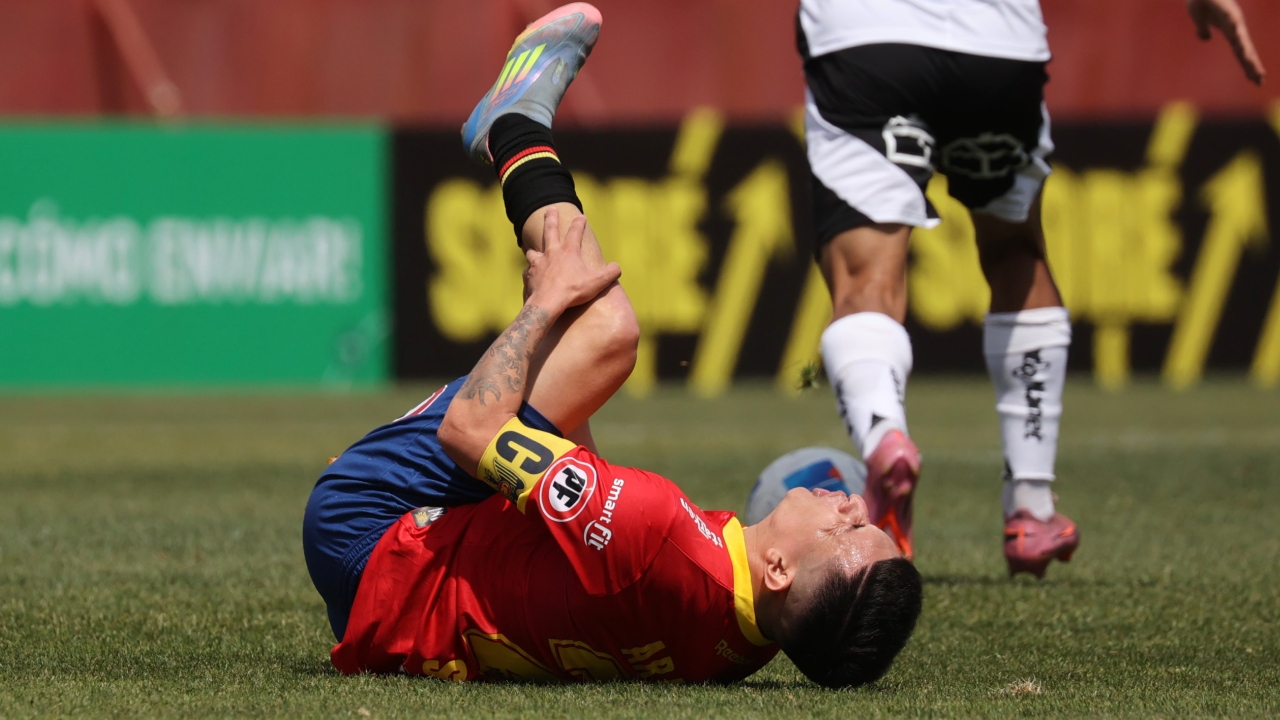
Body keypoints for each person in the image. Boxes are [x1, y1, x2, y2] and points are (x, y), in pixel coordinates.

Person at [302, 4, 923, 687]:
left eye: (847, 530)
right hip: (396, 616)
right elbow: (596, 556)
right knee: (584, 344)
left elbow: (470, 430)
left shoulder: (656, 531)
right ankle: (518, 145)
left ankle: (512, 128)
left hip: (365, 526)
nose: (854, 503)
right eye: (869, 521)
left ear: (779, 571)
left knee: (607, 333)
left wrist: (542, 310)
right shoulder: (740, 651)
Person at [796, 0, 1266, 575]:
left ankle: (884, 436)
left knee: (863, 277)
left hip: (865, 39)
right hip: (998, 45)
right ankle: (1032, 508)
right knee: (1016, 248)